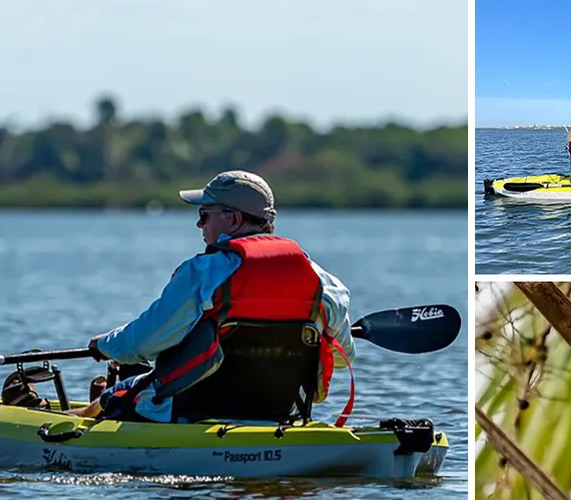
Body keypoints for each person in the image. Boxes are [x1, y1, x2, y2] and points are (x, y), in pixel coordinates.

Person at [56, 170, 355, 424]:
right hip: (277, 414)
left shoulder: (203, 272)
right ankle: (101, 399)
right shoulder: (321, 282)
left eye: (205, 214)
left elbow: (143, 342)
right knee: (132, 377)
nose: (199, 225)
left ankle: (89, 406)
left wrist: (106, 345)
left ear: (234, 219)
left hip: (191, 411)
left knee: (125, 381)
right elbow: (343, 358)